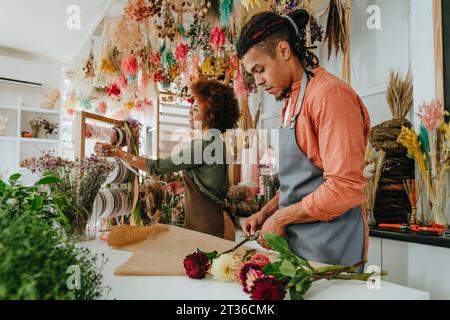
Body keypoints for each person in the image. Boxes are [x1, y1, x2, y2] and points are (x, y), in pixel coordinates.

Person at [236, 9, 371, 268]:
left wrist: (281, 218)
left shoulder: (330, 96)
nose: (258, 81)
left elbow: (344, 187)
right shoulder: (290, 101)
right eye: (252, 74)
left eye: (260, 69)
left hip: (332, 252)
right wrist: (267, 213)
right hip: (298, 251)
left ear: (284, 51)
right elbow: (299, 184)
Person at [94, 80, 241, 240]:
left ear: (211, 115)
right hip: (213, 221)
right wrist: (185, 187)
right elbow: (214, 185)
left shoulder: (204, 146)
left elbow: (155, 167)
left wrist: (116, 152)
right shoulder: (218, 143)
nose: (189, 113)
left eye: (196, 108)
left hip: (205, 226)